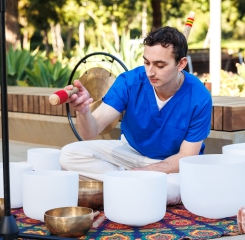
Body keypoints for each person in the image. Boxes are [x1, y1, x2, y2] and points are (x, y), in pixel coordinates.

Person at [59, 26, 212, 205]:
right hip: (130, 152)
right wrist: (84, 110)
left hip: (171, 166)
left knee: (169, 191)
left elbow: (186, 156)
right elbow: (90, 132)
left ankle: (120, 184)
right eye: (147, 62)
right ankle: (130, 185)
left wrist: (145, 171)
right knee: (68, 155)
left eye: (160, 65)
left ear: (181, 64)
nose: (150, 72)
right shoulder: (130, 81)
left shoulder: (199, 97)